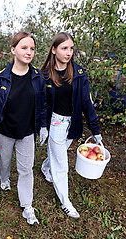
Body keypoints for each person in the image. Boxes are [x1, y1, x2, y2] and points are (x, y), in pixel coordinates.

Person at [0, 31, 48, 225]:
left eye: (32, 48)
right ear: (13, 50)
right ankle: (5, 179)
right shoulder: (1, 79)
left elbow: (42, 104)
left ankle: (27, 206)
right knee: (4, 162)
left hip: (26, 133)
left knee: (26, 169)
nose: (29, 52)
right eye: (24, 47)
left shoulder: (37, 77)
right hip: (4, 131)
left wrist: (42, 126)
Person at [40, 32, 102, 219]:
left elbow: (86, 103)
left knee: (57, 156)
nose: (69, 52)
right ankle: (66, 202)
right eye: (64, 48)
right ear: (54, 50)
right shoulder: (44, 76)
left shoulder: (79, 73)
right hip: (55, 123)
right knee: (61, 165)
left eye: (71, 48)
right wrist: (43, 125)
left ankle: (44, 168)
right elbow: (41, 104)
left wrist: (95, 129)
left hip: (72, 123)